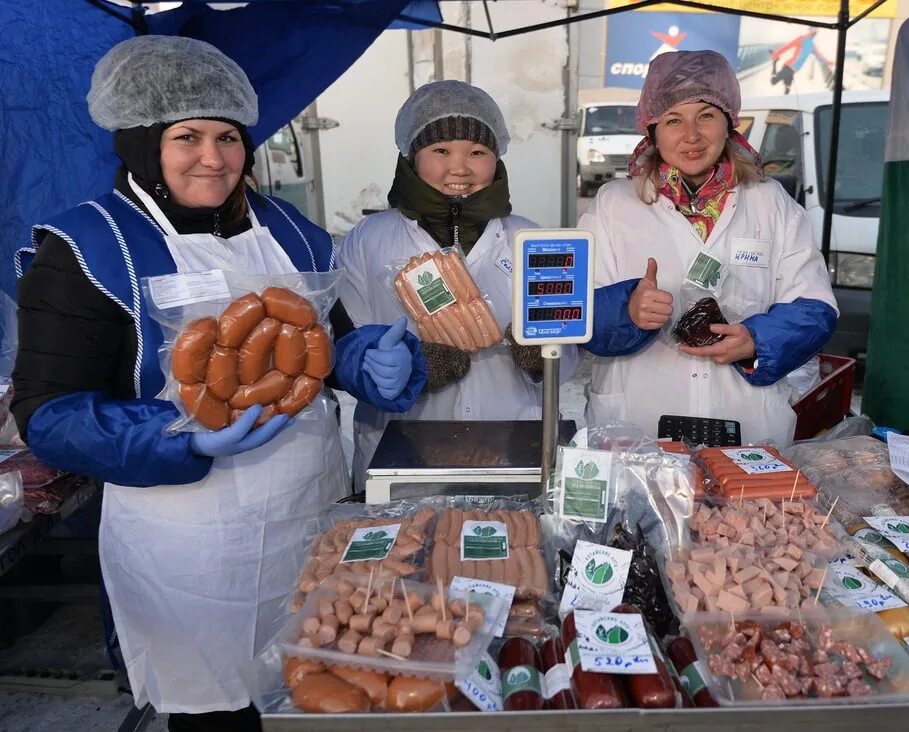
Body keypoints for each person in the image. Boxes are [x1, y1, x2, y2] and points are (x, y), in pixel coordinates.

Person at [11, 36, 426, 731]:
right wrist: (175, 433)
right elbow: (48, 414)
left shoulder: (292, 231)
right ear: (144, 140)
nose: (214, 157)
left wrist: (362, 363)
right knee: (217, 714)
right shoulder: (88, 247)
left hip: (307, 514)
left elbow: (328, 342)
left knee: (322, 681)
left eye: (228, 136)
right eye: (188, 136)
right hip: (187, 546)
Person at [581, 50, 837, 448]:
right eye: (673, 120)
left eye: (706, 115)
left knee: (745, 511)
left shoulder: (771, 203)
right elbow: (576, 309)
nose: (691, 135)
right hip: (636, 420)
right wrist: (626, 310)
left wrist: (758, 340)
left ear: (729, 122)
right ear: (652, 129)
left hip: (746, 420)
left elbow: (815, 306)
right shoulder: (614, 204)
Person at [337, 80, 579, 481]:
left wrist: (545, 355)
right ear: (412, 157)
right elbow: (346, 344)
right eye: (441, 150)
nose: (460, 168)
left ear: (496, 159)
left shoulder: (530, 240)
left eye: (477, 152)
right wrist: (402, 367)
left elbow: (569, 349)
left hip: (514, 442)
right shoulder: (370, 240)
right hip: (402, 449)